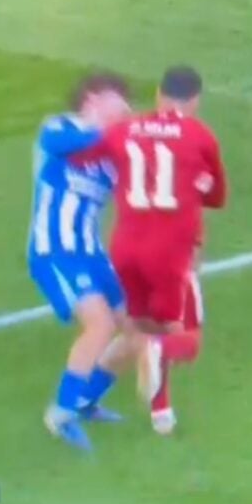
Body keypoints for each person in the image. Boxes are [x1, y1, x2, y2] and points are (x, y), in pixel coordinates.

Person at [71, 65, 227, 434]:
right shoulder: (199, 135)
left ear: (158, 93)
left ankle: (152, 412)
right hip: (171, 255)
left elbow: (80, 156)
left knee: (140, 331)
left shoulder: (125, 129)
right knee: (183, 338)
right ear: (195, 100)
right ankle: (158, 370)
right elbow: (216, 197)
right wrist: (194, 184)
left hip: (125, 251)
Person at [27, 72, 131, 451]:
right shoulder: (60, 126)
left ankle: (87, 400)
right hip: (55, 251)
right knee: (100, 324)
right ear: (92, 98)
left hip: (92, 255)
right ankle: (61, 413)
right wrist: (118, 132)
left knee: (138, 328)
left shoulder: (112, 153)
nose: (126, 106)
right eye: (118, 97)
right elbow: (61, 143)